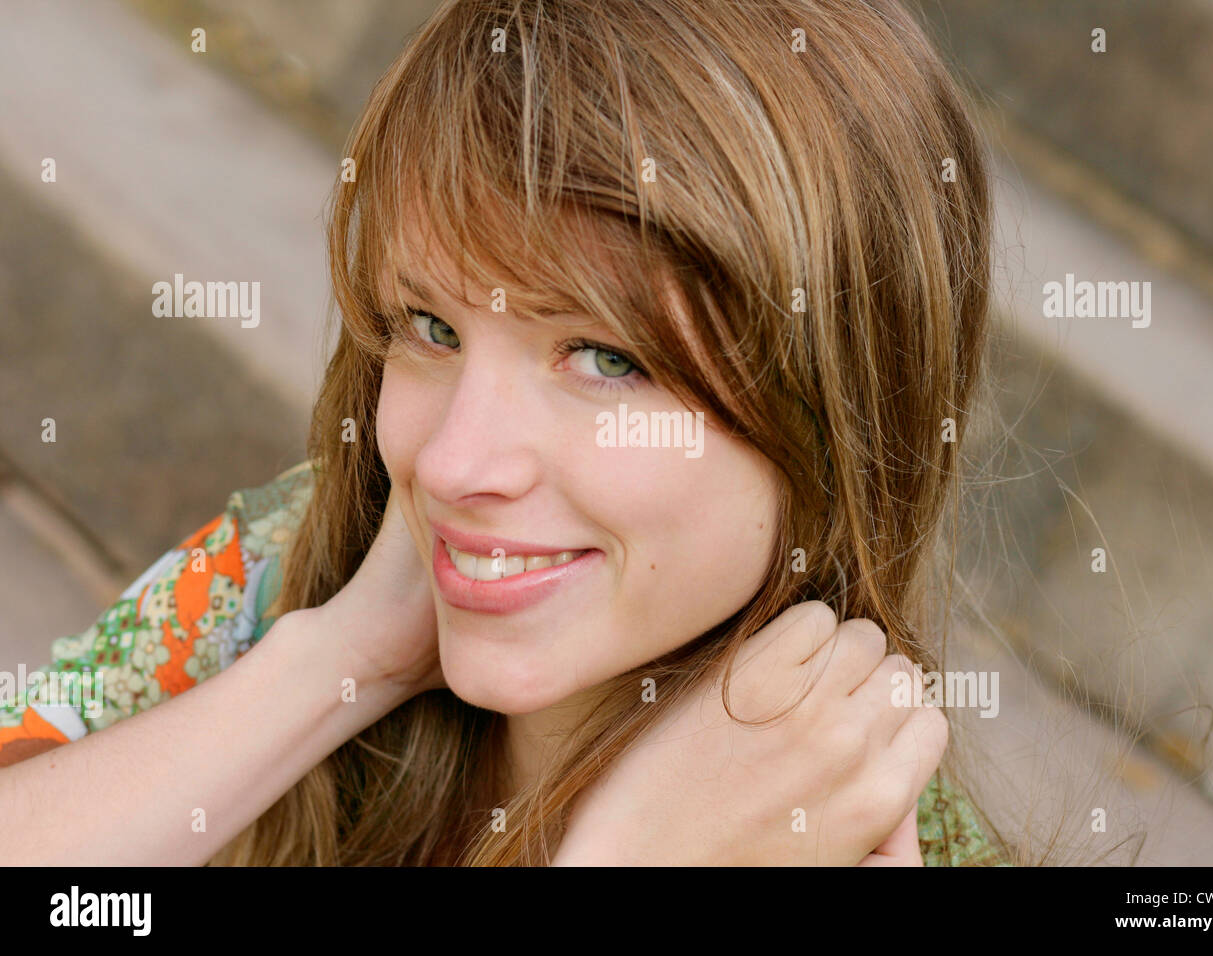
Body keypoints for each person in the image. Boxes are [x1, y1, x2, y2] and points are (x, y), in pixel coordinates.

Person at [0, 0, 1008, 866]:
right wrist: (334, 663)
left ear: (840, 414)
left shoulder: (878, 833)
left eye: (606, 356)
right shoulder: (306, 571)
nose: (450, 462)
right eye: (431, 328)